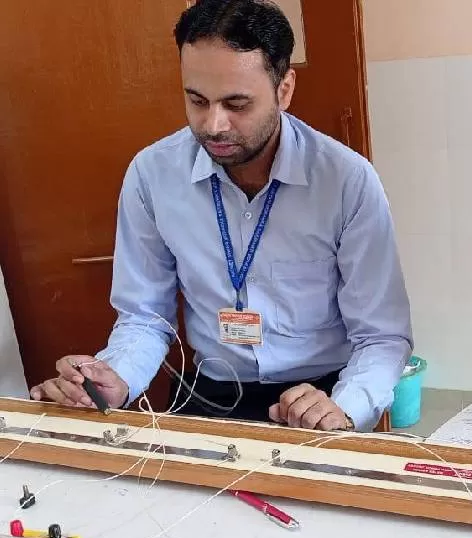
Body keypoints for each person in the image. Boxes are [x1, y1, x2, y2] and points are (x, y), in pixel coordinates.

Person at [30, 0, 412, 432]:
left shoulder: (346, 182)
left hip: (321, 394)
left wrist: (345, 406)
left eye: (237, 103)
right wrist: (115, 378)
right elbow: (145, 316)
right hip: (211, 394)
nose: (213, 125)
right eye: (197, 100)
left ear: (284, 90)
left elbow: (382, 336)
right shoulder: (153, 175)